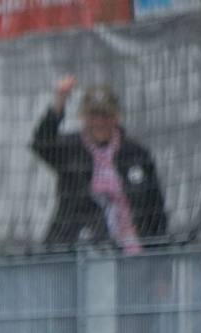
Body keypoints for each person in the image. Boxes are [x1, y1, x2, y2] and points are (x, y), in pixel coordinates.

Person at [31, 78, 166, 253]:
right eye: (93, 115)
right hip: (73, 249)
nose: (100, 122)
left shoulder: (137, 154)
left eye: (106, 115)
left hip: (131, 252)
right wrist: (59, 101)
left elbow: (156, 208)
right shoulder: (70, 149)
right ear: (82, 116)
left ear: (116, 116)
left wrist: (158, 261)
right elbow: (41, 144)